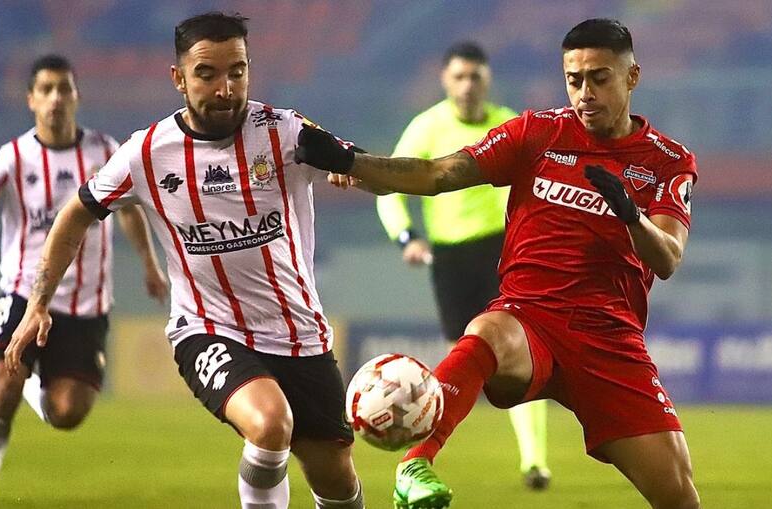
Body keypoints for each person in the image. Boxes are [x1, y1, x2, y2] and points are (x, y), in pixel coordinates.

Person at [296, 18, 701, 509]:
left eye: (600, 78)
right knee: (487, 329)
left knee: (679, 498)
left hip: (610, 340)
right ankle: (414, 464)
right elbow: (437, 173)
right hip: (531, 319)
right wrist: (348, 161)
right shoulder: (537, 132)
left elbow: (669, 257)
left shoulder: (667, 160)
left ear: (631, 76)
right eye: (575, 80)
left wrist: (631, 215)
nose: (585, 92)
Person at [4, 13, 365, 509]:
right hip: (209, 329)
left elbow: (362, 166)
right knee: (269, 422)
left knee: (336, 480)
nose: (225, 88)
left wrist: (354, 171)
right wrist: (37, 303)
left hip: (300, 331)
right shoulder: (146, 153)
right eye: (207, 73)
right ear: (178, 78)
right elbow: (75, 216)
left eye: (237, 71)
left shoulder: (284, 131)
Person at [0, 54, 167, 507]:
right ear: (31, 99)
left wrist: (149, 262)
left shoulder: (104, 151)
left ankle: (33, 379)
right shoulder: (13, 157)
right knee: (0, 387)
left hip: (87, 305)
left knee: (67, 413)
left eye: (64, 88)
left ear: (76, 96)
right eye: (45, 89)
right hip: (24, 296)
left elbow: (128, 210)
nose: (55, 99)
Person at [375, 41, 550, 490]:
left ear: (488, 81)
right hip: (450, 257)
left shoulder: (509, 124)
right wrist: (406, 236)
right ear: (445, 80)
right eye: (460, 77)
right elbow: (392, 185)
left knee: (519, 353)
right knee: (467, 359)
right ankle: (424, 453)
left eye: (476, 77)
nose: (468, 85)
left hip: (503, 251)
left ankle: (535, 462)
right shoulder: (427, 127)